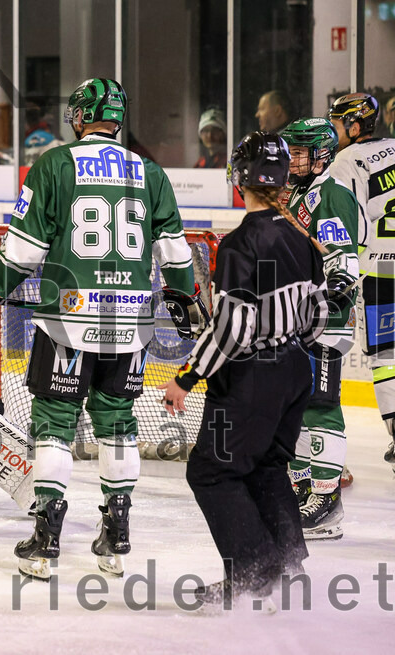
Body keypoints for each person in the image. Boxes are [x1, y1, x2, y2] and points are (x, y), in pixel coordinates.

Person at [0, 78, 197, 580]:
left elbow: (21, 254)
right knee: (118, 419)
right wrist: (184, 296)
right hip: (131, 324)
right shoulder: (149, 171)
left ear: (78, 116)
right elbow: (176, 253)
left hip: (67, 323)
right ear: (119, 119)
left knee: (55, 422)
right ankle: (117, 534)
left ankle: (46, 540)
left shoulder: (56, 164)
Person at [160, 131, 328, 610]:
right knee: (269, 466)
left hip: (252, 375)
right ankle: (289, 568)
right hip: (296, 367)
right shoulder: (303, 238)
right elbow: (318, 315)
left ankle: (256, 573)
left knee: (211, 472)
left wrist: (187, 377)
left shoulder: (239, 245)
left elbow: (233, 329)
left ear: (241, 177)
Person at [278, 118, 359, 540]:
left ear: (321, 155)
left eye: (298, 152)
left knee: (321, 404)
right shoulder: (300, 192)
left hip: (324, 317)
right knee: (297, 404)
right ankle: (304, 487)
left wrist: (332, 297)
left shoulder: (330, 193)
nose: (291, 159)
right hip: (299, 314)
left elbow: (342, 258)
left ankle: (326, 500)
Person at [327, 92, 395, 472]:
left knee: (386, 359)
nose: (333, 131)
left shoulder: (346, 161)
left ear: (354, 126)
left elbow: (354, 229)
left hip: (382, 273)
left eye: (337, 124)